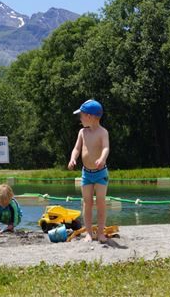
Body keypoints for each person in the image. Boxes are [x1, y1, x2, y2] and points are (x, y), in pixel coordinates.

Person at [67, 99, 110, 243]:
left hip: (100, 173)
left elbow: (106, 148)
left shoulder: (103, 132)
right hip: (86, 174)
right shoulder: (82, 132)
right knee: (87, 202)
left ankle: (101, 232)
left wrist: (102, 158)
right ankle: (89, 233)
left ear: (90, 117)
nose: (80, 118)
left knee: (101, 202)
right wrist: (73, 158)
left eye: (81, 115)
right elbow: (77, 148)